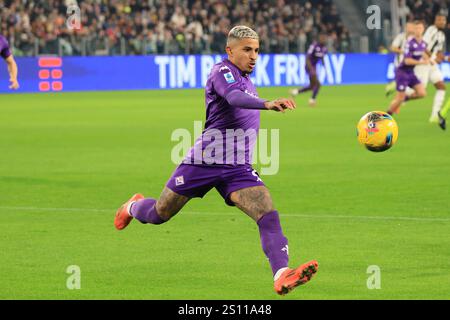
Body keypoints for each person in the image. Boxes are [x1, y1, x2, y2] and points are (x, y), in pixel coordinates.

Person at [114, 26, 318, 296]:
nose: (253, 56)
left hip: (237, 168)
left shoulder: (247, 79)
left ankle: (281, 275)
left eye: (257, 50)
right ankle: (132, 207)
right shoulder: (222, 72)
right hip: (204, 161)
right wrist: (266, 104)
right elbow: (233, 97)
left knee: (267, 214)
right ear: (230, 50)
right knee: (159, 213)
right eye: (247, 49)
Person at [387, 21, 429, 116]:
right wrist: (422, 62)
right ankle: (386, 115)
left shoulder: (422, 43)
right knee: (399, 98)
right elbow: (407, 61)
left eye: (420, 28)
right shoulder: (409, 42)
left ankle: (400, 100)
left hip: (411, 72)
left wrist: (428, 59)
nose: (418, 30)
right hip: (402, 72)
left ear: (423, 30)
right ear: (414, 30)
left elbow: (422, 52)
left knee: (422, 93)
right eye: (416, 28)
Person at [415, 13, 447, 130]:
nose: (442, 22)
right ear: (435, 21)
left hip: (431, 64)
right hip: (424, 62)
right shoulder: (431, 30)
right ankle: (401, 94)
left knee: (441, 86)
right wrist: (432, 58)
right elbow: (423, 46)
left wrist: (446, 58)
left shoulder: (442, 35)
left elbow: (438, 53)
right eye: (439, 20)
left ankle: (435, 115)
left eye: (443, 20)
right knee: (420, 91)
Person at [290, 32, 328, 106]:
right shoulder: (314, 46)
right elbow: (307, 58)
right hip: (309, 66)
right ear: (319, 39)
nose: (323, 40)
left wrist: (323, 64)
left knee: (312, 86)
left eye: (324, 38)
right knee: (318, 84)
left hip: (314, 67)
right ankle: (312, 100)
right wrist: (311, 69)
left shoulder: (325, 49)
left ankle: (296, 91)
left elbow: (322, 56)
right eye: (322, 38)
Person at [385, 22, 415, 97]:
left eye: (411, 27)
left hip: (411, 64)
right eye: (408, 27)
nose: (410, 29)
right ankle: (400, 96)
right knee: (405, 84)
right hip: (400, 64)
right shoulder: (401, 37)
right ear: (405, 28)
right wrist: (403, 51)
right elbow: (393, 48)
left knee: (409, 83)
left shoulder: (416, 39)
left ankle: (394, 87)